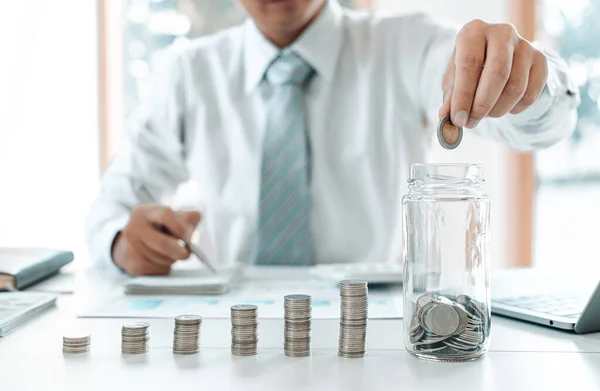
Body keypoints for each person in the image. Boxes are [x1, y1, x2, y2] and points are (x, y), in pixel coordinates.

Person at [86, 0, 579, 276]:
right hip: (230, 334)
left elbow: (542, 124)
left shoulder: (404, 45)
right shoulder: (188, 72)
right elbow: (113, 205)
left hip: (376, 332)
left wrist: (530, 80)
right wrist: (122, 244)